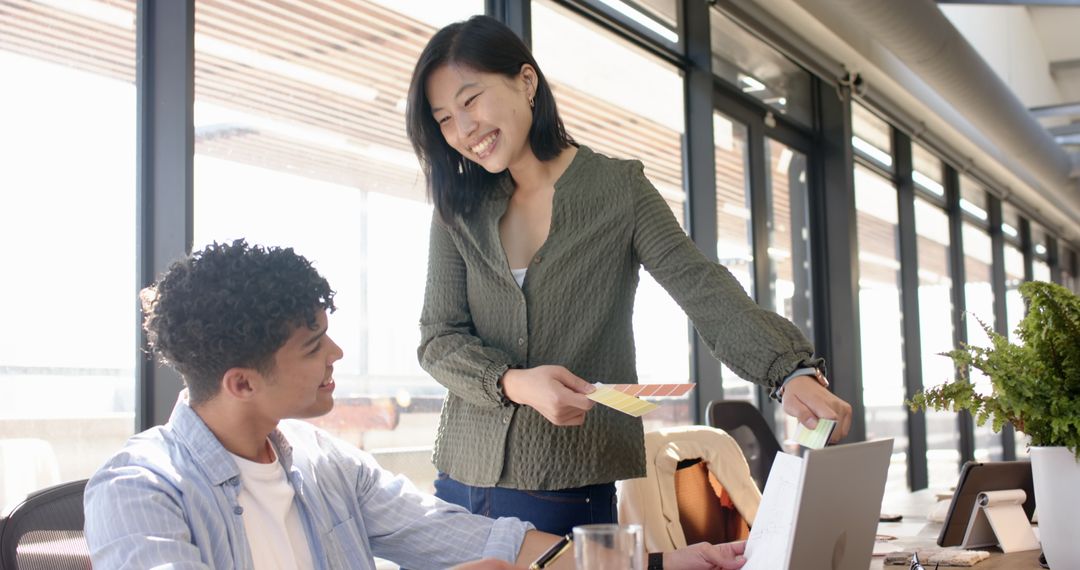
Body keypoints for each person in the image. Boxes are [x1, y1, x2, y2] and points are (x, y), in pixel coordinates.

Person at [405, 15, 854, 536]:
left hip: (564, 483)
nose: (463, 130)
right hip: (458, 480)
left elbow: (703, 287)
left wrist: (789, 371)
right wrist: (516, 383)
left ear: (526, 81)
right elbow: (439, 339)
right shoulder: (458, 207)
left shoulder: (621, 190)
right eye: (443, 120)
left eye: (470, 101)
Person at [83, 239, 749, 569]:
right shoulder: (138, 491)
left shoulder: (322, 465)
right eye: (314, 345)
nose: (337, 355)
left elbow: (488, 539)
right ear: (241, 383)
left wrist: (657, 564)